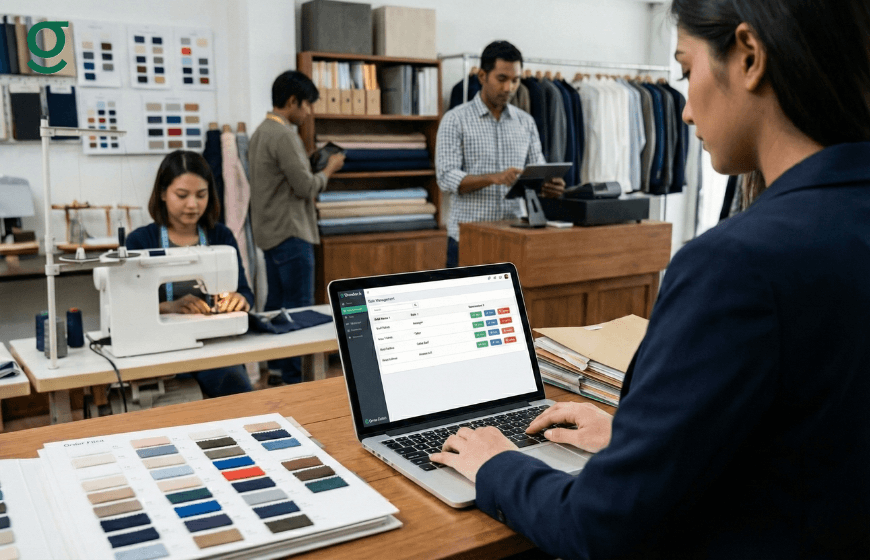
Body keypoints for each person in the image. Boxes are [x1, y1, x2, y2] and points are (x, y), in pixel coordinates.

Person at [430, 1, 870, 558]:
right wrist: (636, 440)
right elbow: (803, 437)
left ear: (749, 57)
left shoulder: (734, 266)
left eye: (686, 70)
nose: (683, 112)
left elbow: (597, 527)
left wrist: (497, 464)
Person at [127, 150, 255, 398]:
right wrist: (168, 307)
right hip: (162, 350)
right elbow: (129, 309)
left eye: (201, 195)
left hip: (214, 348)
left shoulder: (221, 236)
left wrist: (240, 300)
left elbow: (246, 292)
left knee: (239, 395)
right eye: (182, 195)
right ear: (162, 193)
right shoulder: (140, 242)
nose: (193, 204)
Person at [248, 70, 345, 385]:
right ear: (292, 101)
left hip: (269, 233)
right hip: (292, 232)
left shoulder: (260, 133)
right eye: (307, 105)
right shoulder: (285, 136)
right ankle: (294, 379)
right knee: (299, 309)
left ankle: (277, 371)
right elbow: (305, 187)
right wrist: (329, 169)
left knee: (277, 307)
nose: (309, 112)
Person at [435, 41, 565, 268]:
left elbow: (536, 171)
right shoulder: (455, 120)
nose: (509, 88)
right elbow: (446, 178)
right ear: (482, 76)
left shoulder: (526, 122)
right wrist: (493, 178)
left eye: (515, 80)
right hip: (469, 238)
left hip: (514, 237)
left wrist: (548, 186)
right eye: (502, 79)